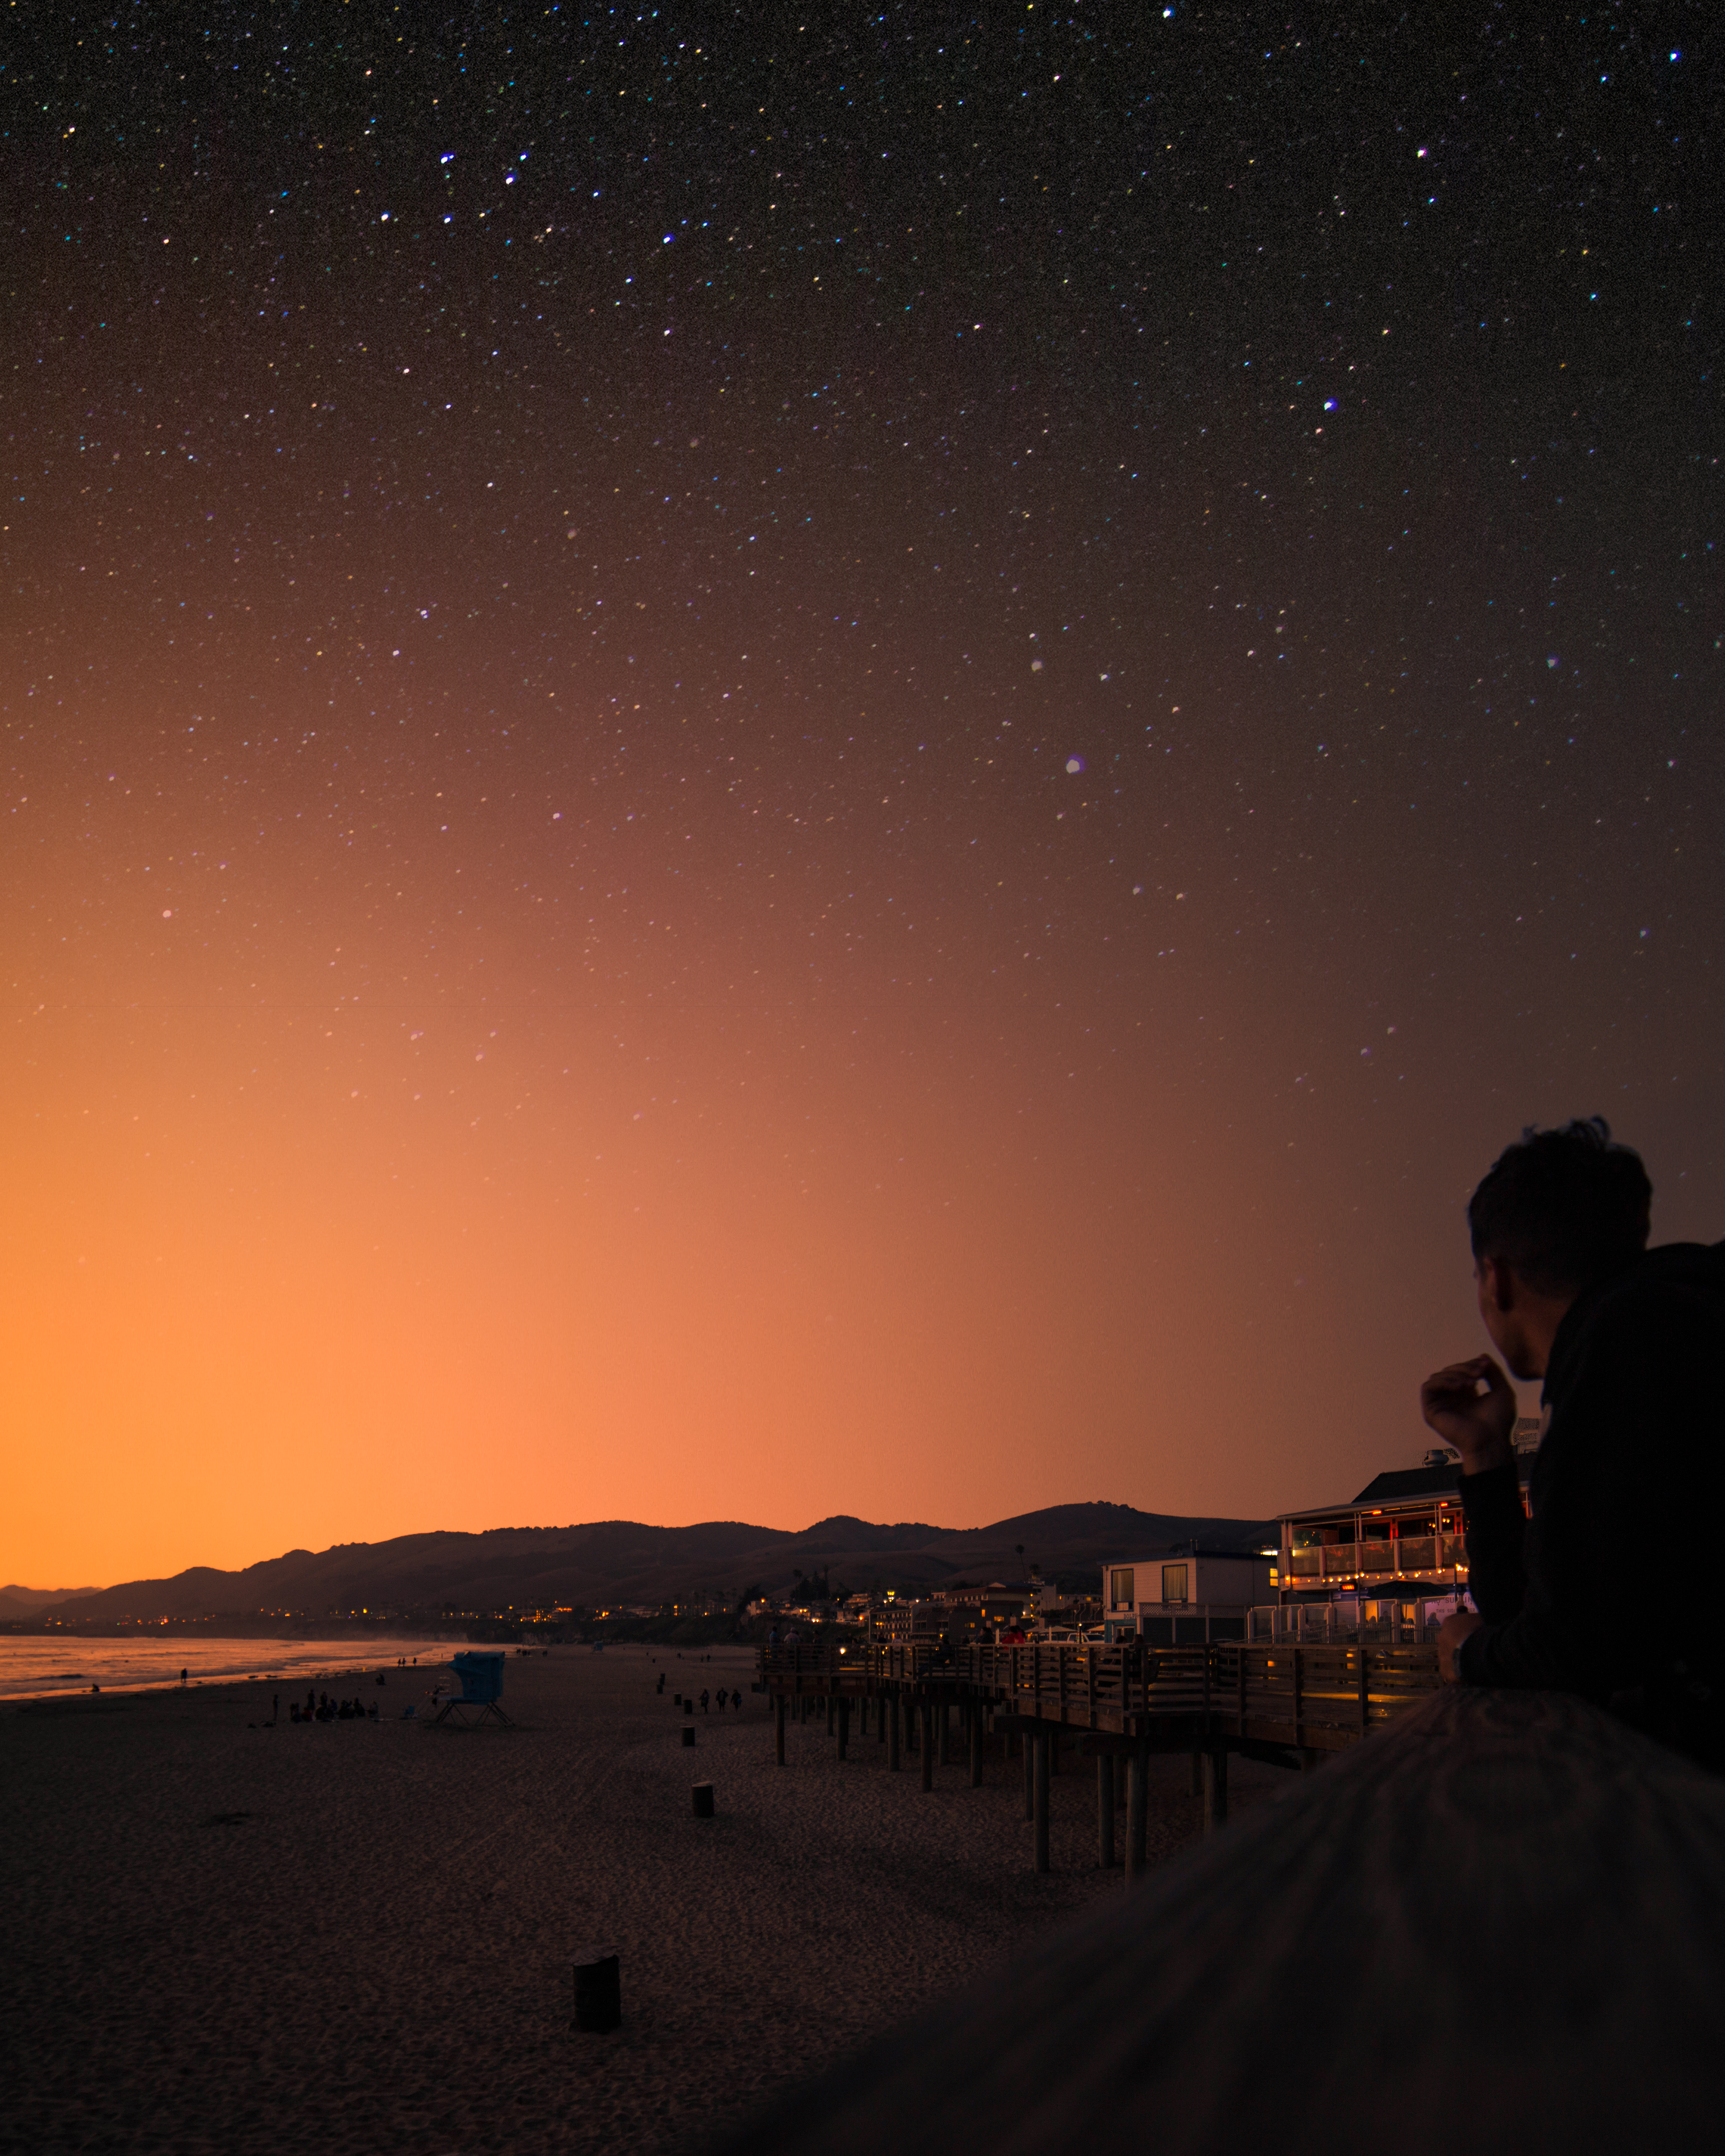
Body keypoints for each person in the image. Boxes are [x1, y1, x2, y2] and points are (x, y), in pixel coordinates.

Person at [1420, 1117, 1724, 1766]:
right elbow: (1548, 1604)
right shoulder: (1666, 1322)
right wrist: (1484, 1452)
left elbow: (1580, 1642)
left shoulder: (1628, 1347)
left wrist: (1469, 1651)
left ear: (1495, 1278)